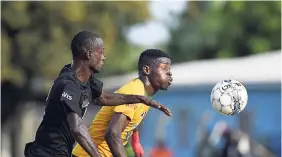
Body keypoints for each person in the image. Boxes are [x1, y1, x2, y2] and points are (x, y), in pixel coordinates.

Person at [24, 31, 171, 157]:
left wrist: (142, 99)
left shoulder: (86, 80)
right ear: (88, 54)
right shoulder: (68, 84)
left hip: (61, 152)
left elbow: (105, 98)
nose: (104, 58)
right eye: (101, 52)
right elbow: (77, 128)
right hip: (45, 153)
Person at [72, 49, 173, 157]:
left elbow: (132, 120)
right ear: (146, 70)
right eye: (164, 68)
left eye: (169, 69)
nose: (170, 73)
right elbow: (112, 135)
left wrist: (136, 141)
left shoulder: (143, 93)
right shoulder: (134, 91)